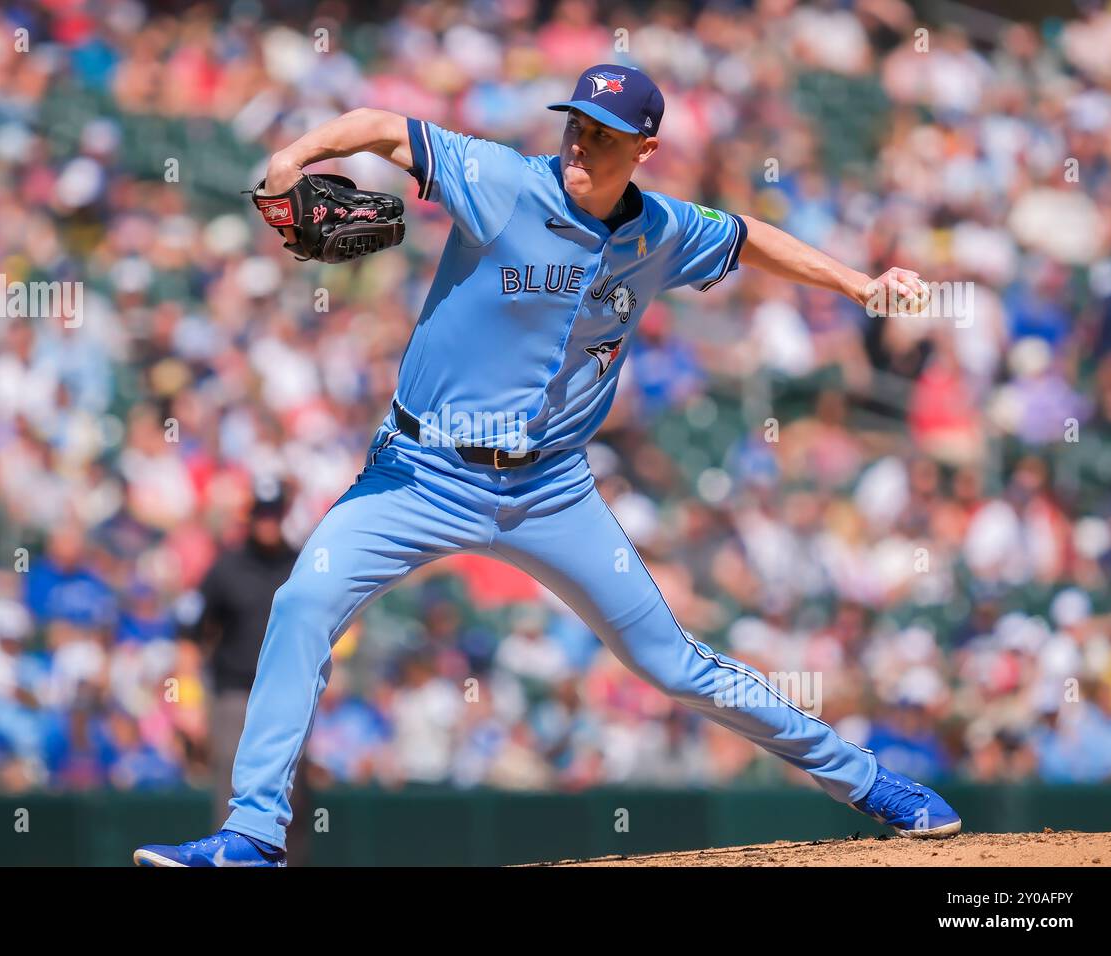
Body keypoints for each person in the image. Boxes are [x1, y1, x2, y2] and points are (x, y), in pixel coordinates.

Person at [134, 64, 959, 867]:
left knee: (670, 663)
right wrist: (297, 156)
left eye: (602, 135)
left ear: (645, 148)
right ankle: (251, 836)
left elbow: (748, 239)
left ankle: (871, 784)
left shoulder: (660, 231)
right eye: (575, 125)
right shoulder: (499, 180)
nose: (580, 143)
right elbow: (385, 129)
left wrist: (858, 286)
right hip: (421, 471)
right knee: (304, 598)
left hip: (549, 489)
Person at [190, 489, 299, 842]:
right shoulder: (227, 567)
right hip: (236, 691)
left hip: (288, 692)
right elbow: (190, 630)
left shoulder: (301, 562)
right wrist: (187, 698)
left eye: (273, 514)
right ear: (250, 518)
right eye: (261, 514)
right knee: (233, 781)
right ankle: (227, 857)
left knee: (290, 785)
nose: (268, 522)